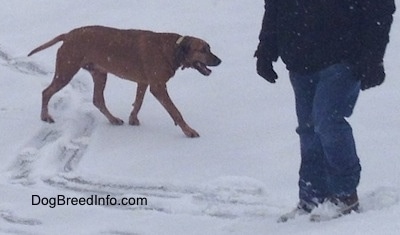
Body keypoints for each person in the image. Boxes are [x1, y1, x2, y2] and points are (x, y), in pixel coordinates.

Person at [255, 0, 395, 222]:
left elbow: (380, 8)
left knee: (327, 122)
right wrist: (265, 50)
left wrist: (374, 58)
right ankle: (312, 198)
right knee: (308, 130)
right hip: (300, 58)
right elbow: (275, 7)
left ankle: (345, 195)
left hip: (343, 57)